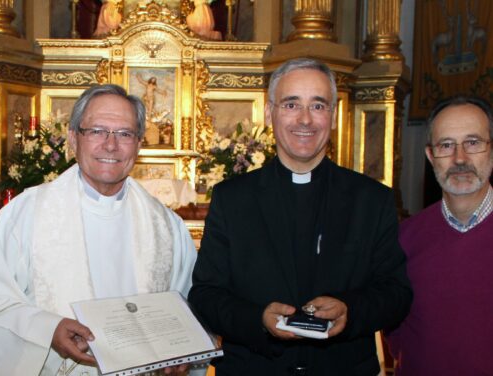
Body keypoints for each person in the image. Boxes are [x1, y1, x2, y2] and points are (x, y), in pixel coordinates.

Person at [187, 58, 412, 375]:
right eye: (291, 104)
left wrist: (350, 310)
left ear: (333, 116)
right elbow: (206, 294)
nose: (305, 119)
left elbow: (395, 292)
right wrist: (259, 319)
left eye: (318, 106)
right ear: (269, 113)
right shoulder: (232, 199)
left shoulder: (372, 199)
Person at [0, 84, 198, 375]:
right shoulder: (25, 214)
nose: (110, 145)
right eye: (97, 131)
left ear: (139, 145)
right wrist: (48, 330)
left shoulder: (166, 226)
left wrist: (180, 352)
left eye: (124, 134)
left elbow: (188, 310)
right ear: (74, 139)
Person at [386, 96, 493, 374]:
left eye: (473, 143)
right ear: (431, 155)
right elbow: (393, 329)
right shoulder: (404, 238)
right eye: (446, 145)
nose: (460, 158)